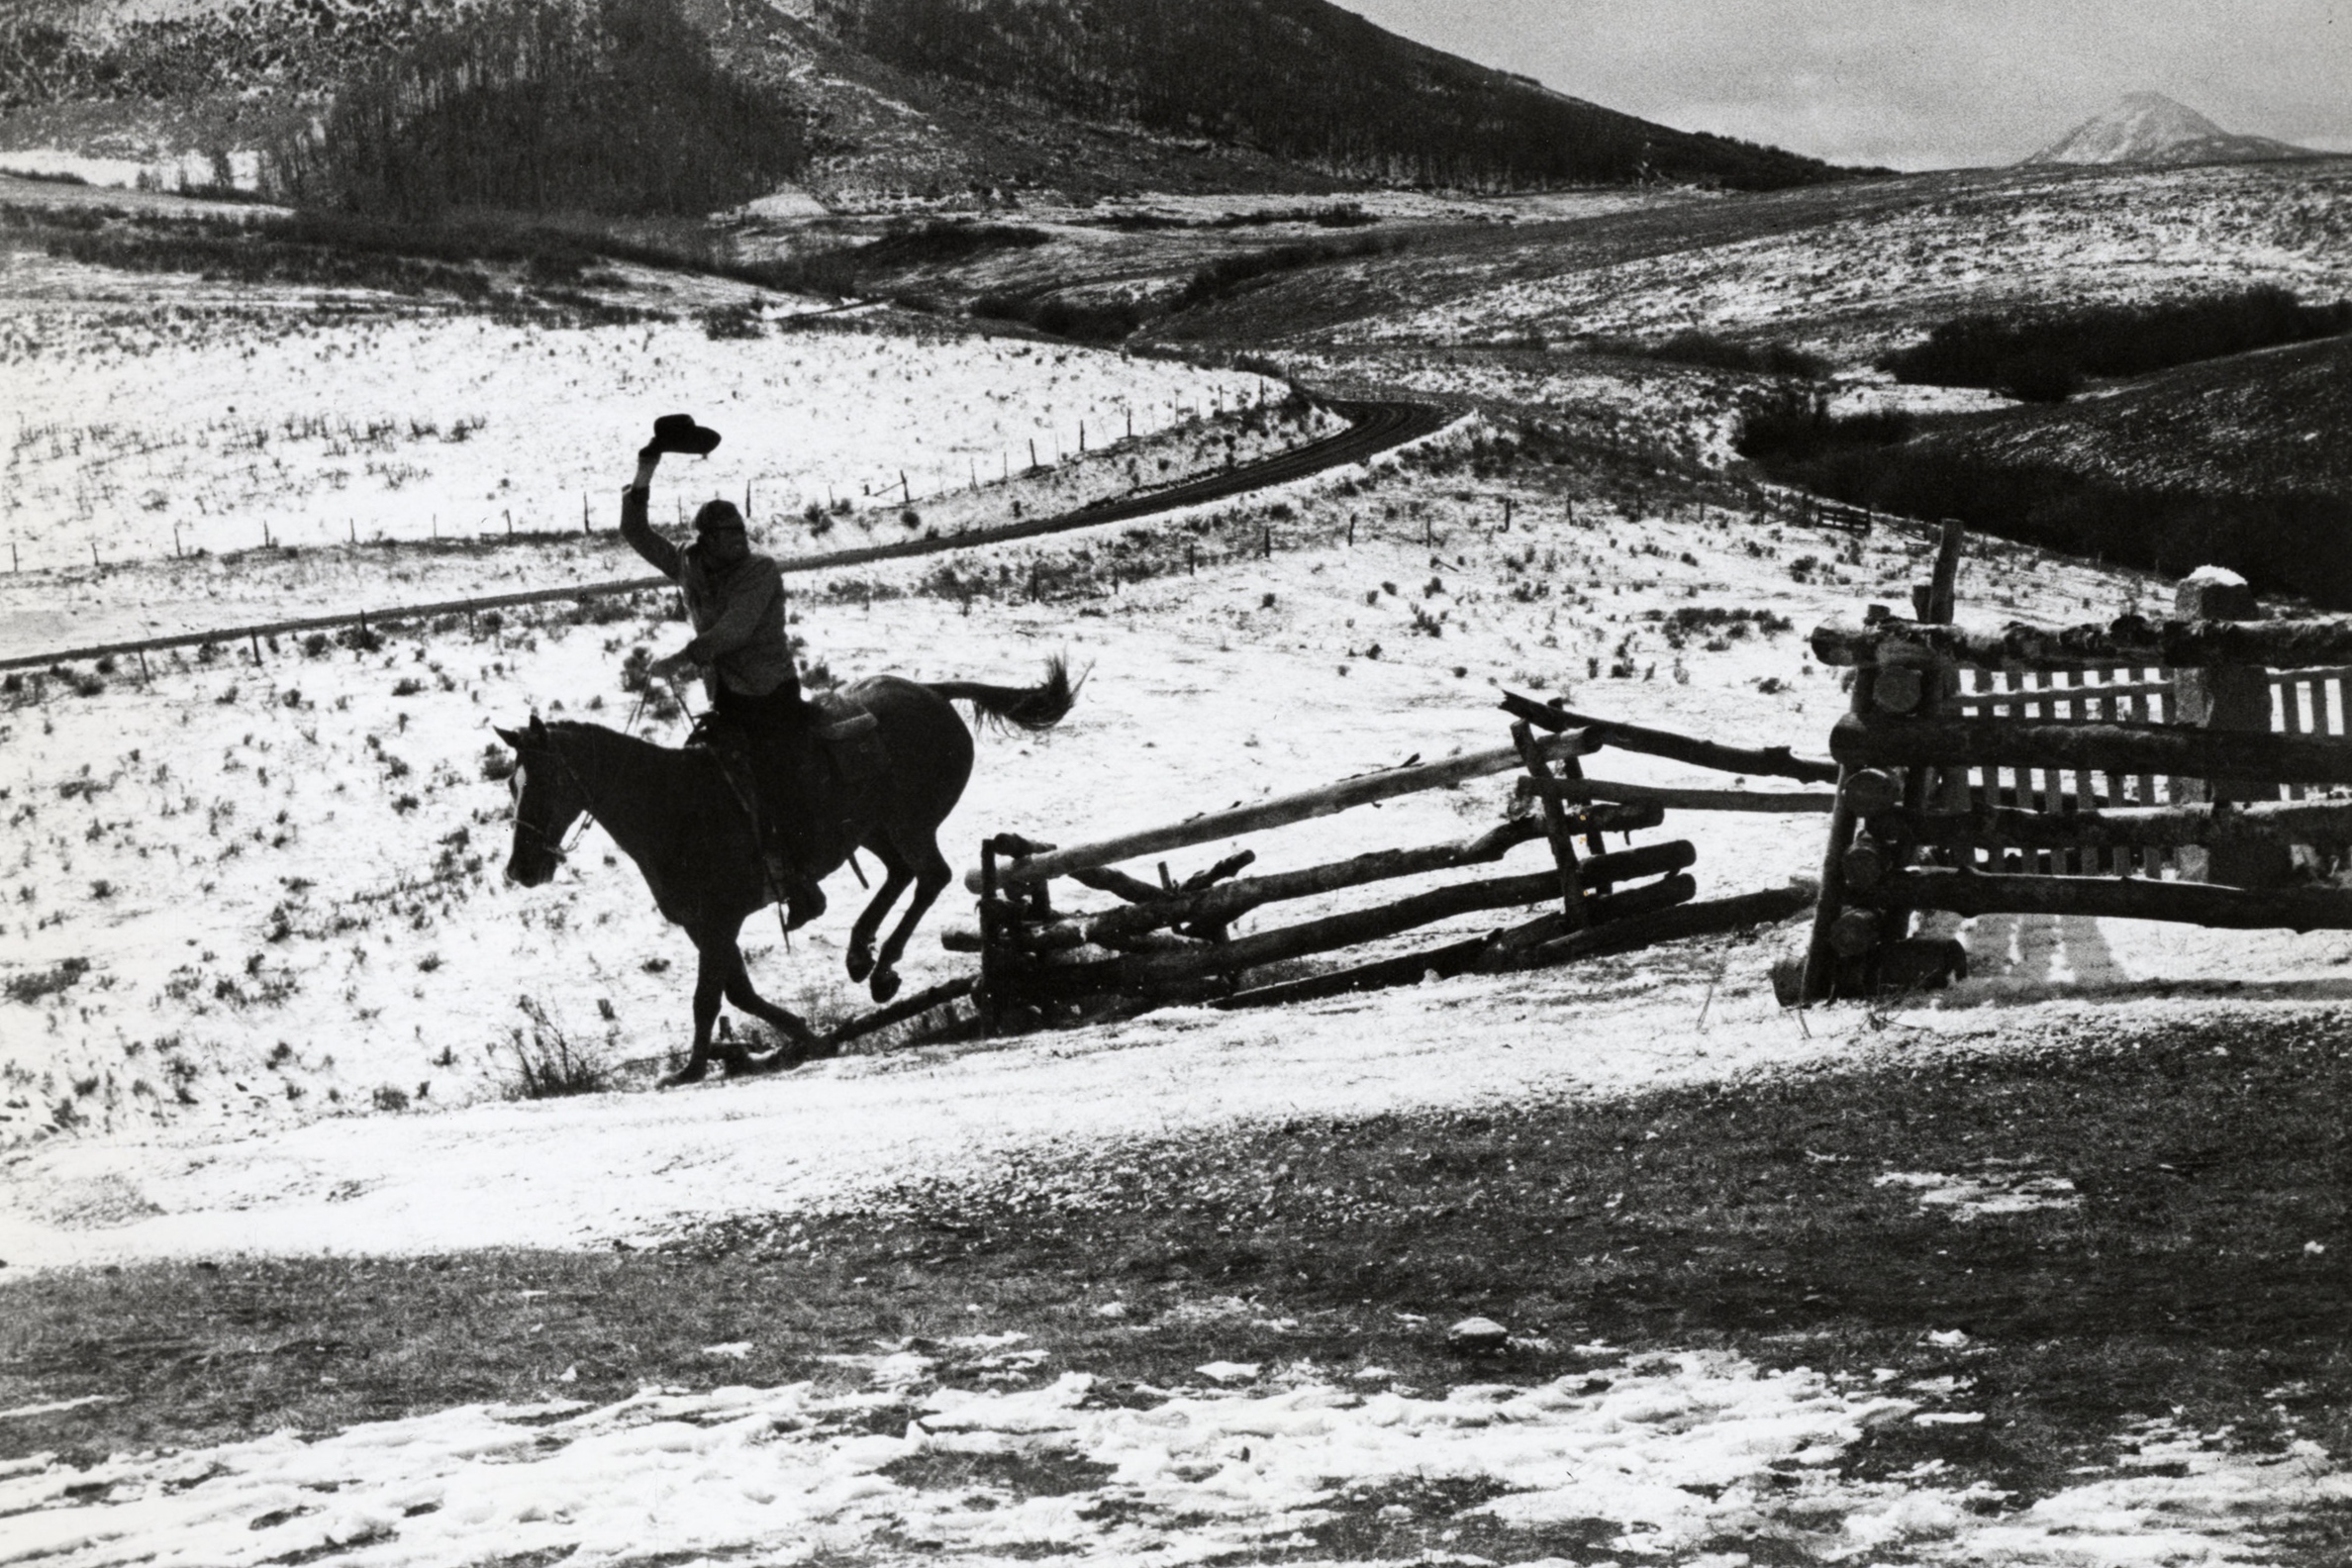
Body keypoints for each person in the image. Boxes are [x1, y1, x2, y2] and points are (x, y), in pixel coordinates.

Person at [619, 417, 829, 929]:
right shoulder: (690, 564)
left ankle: (801, 881)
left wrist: (682, 659)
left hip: (768, 694)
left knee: (776, 778)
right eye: (725, 536)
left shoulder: (760, 571)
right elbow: (636, 532)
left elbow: (732, 633)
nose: (736, 542)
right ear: (705, 540)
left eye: (739, 533)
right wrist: (646, 470)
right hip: (726, 699)